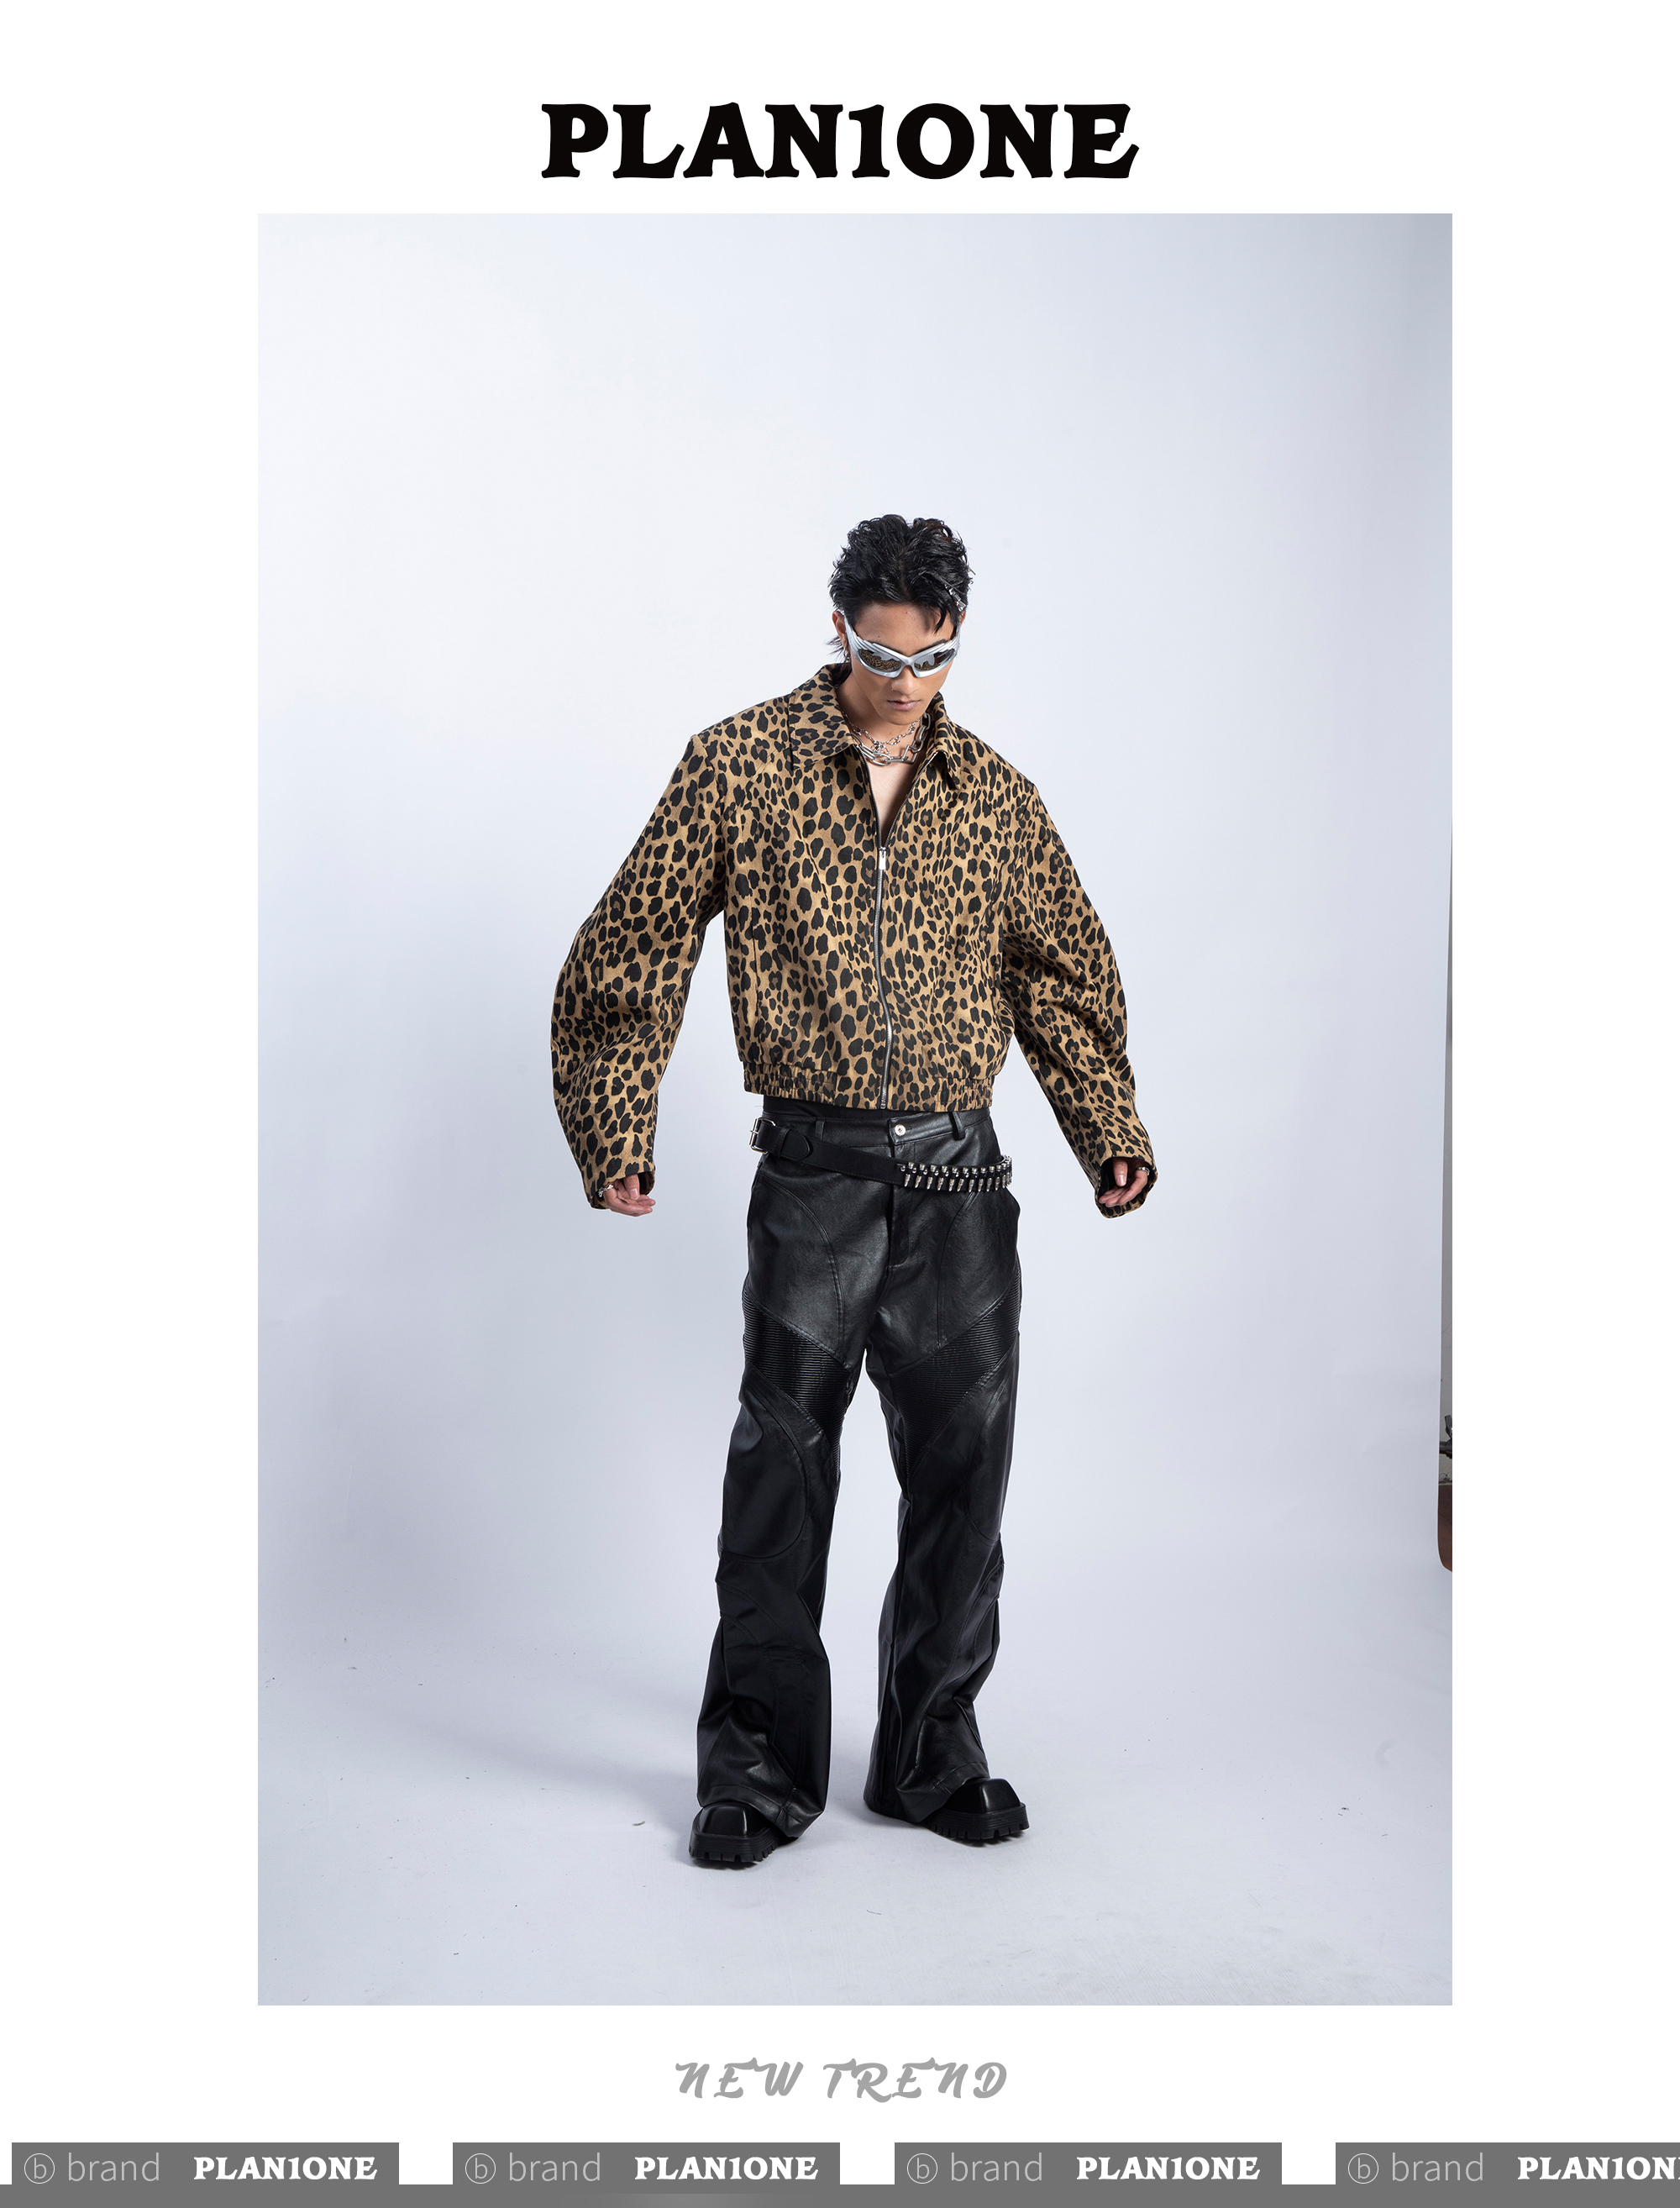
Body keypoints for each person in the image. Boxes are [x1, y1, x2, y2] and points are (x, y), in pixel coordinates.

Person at [551, 514, 1154, 1867]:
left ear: (957, 641)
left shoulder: (995, 797)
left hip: (960, 1177)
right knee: (780, 1473)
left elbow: (1062, 973)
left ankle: (932, 1753)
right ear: (841, 631)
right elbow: (634, 945)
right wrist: (617, 1126)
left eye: (933, 658)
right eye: (883, 656)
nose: (906, 682)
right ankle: (759, 1771)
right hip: (815, 1177)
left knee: (965, 1478)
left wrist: (1105, 1126)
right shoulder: (739, 764)